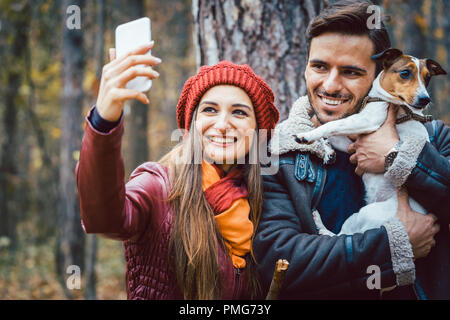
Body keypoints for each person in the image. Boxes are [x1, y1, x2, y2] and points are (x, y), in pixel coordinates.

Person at [254, 0, 449, 299]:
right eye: (319, 66)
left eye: (351, 72)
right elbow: (278, 262)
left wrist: (399, 156)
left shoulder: (434, 139)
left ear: (379, 76)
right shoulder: (279, 154)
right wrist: (391, 244)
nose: (330, 86)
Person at [75, 41, 280, 299]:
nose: (223, 124)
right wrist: (104, 120)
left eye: (239, 112)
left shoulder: (268, 199)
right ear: (192, 125)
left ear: (258, 133)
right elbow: (103, 219)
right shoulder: (158, 186)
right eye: (210, 110)